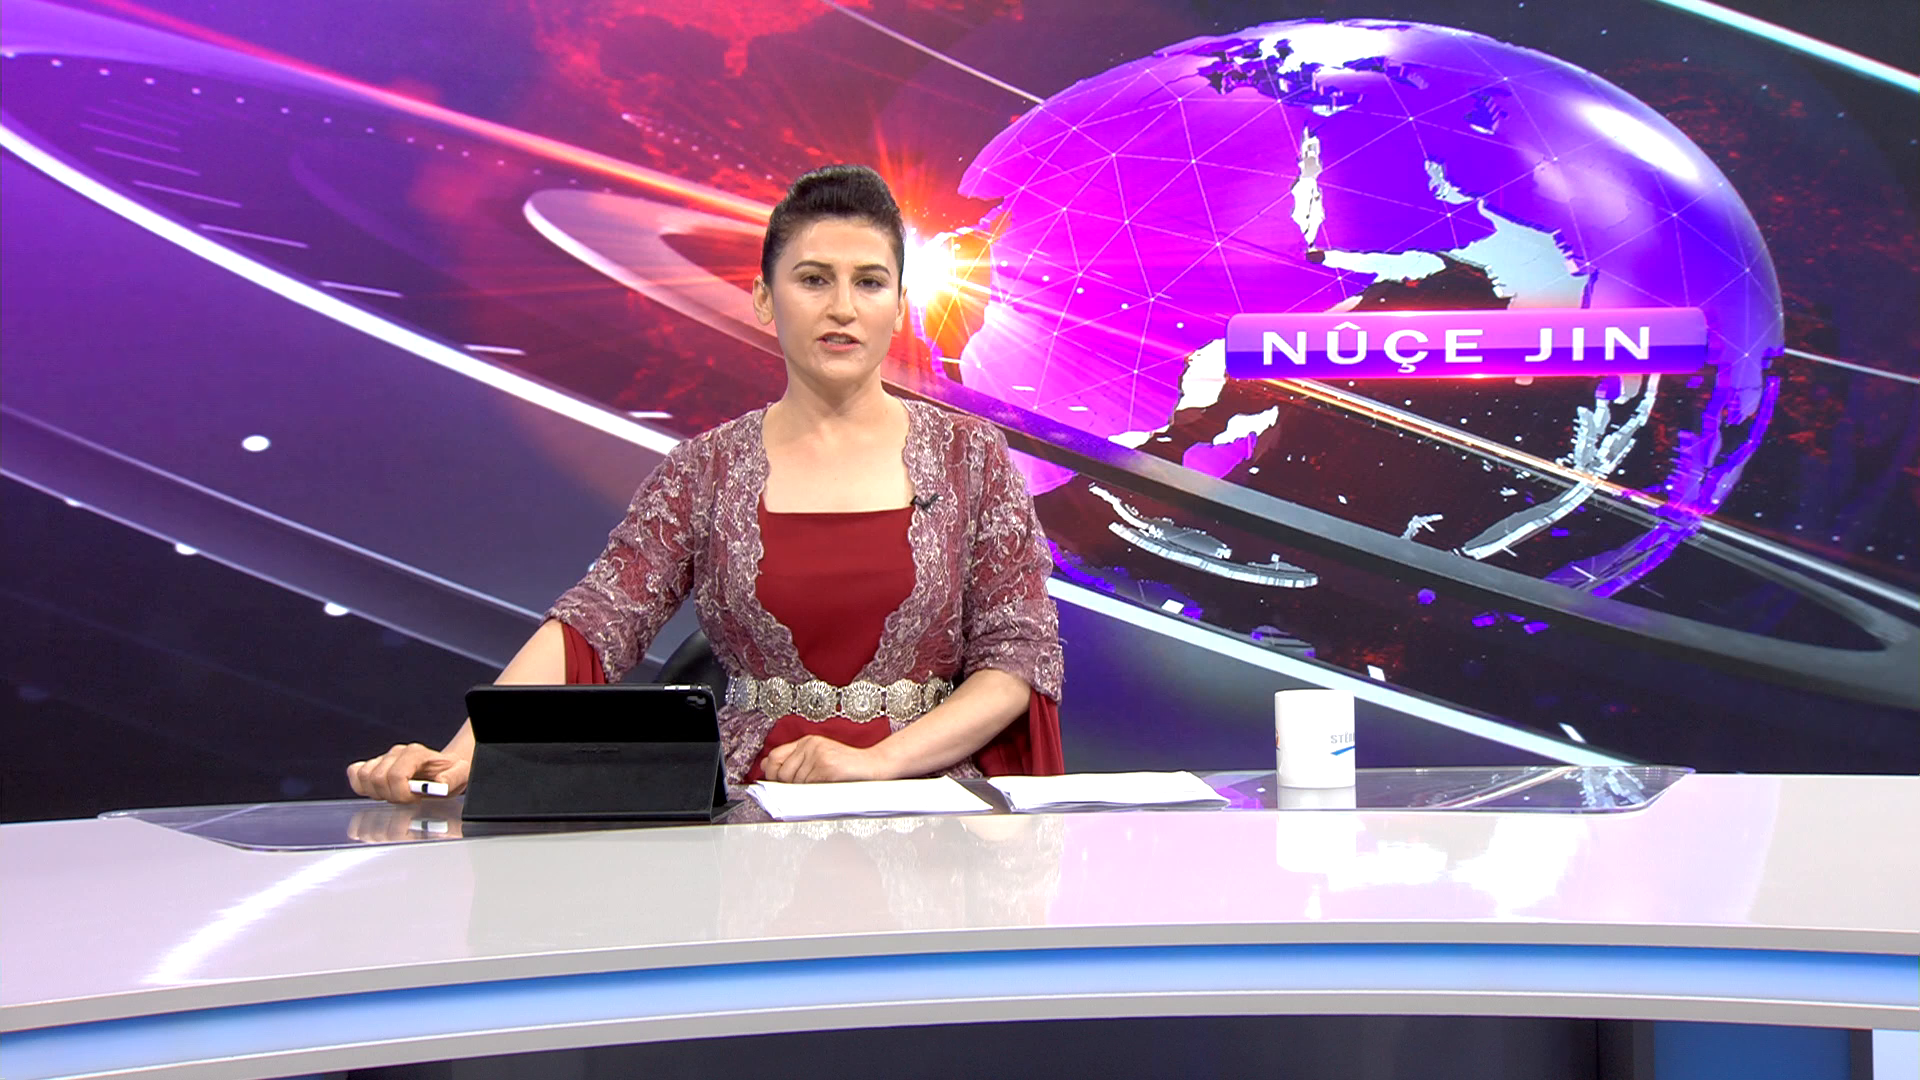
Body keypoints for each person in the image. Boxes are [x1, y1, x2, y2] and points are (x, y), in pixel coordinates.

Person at [349, 165, 1064, 804]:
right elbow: (595, 625)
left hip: (927, 802)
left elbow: (1017, 660)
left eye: (869, 282)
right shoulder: (704, 471)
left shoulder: (973, 458)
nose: (843, 307)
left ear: (900, 305)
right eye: (814, 279)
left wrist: (877, 763)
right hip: (751, 801)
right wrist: (456, 756)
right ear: (763, 298)